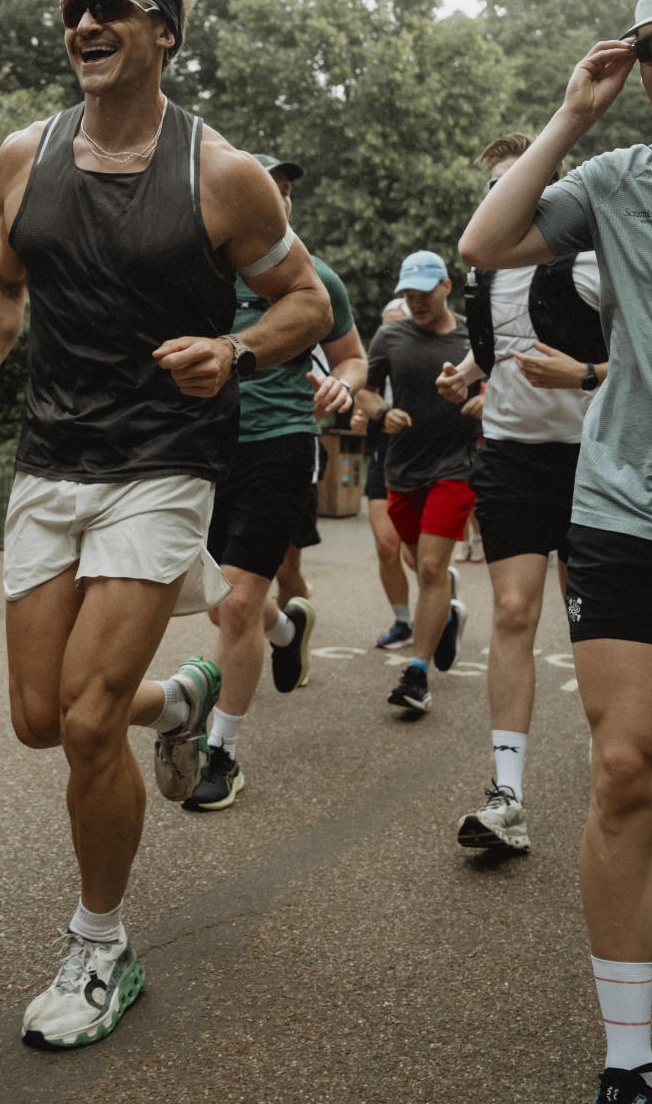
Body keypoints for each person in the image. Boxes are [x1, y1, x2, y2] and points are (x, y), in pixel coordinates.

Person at [0, 0, 331, 1049]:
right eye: (72, 10)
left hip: (161, 464)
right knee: (36, 720)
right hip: (50, 458)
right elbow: (1, 283)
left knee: (87, 721)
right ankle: (188, 700)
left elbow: (301, 300)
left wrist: (237, 351)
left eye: (112, 8)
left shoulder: (222, 174)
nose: (85, 25)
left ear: (164, 31)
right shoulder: (24, 156)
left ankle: (99, 949)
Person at [460, 0, 652, 1104]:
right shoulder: (617, 182)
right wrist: (571, 115)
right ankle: (631, 1086)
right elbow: (487, 240)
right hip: (634, 506)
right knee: (630, 768)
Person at [437, 134, 605, 858]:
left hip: (594, 462)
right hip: (508, 458)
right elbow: (502, 339)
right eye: (493, 188)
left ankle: (615, 752)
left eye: (518, 187)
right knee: (512, 610)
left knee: (591, 623)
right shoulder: (484, 273)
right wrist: (465, 376)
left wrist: (587, 374)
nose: (501, 200)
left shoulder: (594, 263)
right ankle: (508, 796)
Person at [183, 154, 367, 811]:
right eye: (269, 189)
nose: (279, 200)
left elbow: (352, 359)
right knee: (215, 599)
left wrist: (341, 389)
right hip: (204, 448)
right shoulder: (197, 276)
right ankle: (287, 631)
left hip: (281, 441)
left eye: (286, 191)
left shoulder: (316, 279)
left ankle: (222, 751)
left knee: (234, 606)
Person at [358, 252, 478, 716]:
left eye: (424, 294)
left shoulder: (473, 335)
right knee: (415, 559)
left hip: (456, 465)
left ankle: (418, 674)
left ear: (446, 287)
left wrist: (483, 400)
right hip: (403, 467)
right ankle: (447, 610)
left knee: (429, 568)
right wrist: (382, 413)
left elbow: (501, 379)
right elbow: (365, 392)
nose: (416, 302)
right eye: (409, 295)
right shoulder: (390, 335)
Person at [354, 297, 414, 649]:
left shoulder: (427, 355)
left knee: (413, 552)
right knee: (386, 545)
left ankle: (444, 598)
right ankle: (403, 622)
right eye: (386, 325)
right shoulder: (374, 359)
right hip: (382, 453)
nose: (391, 332)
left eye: (398, 325)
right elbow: (361, 405)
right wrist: (367, 418)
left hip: (420, 455)